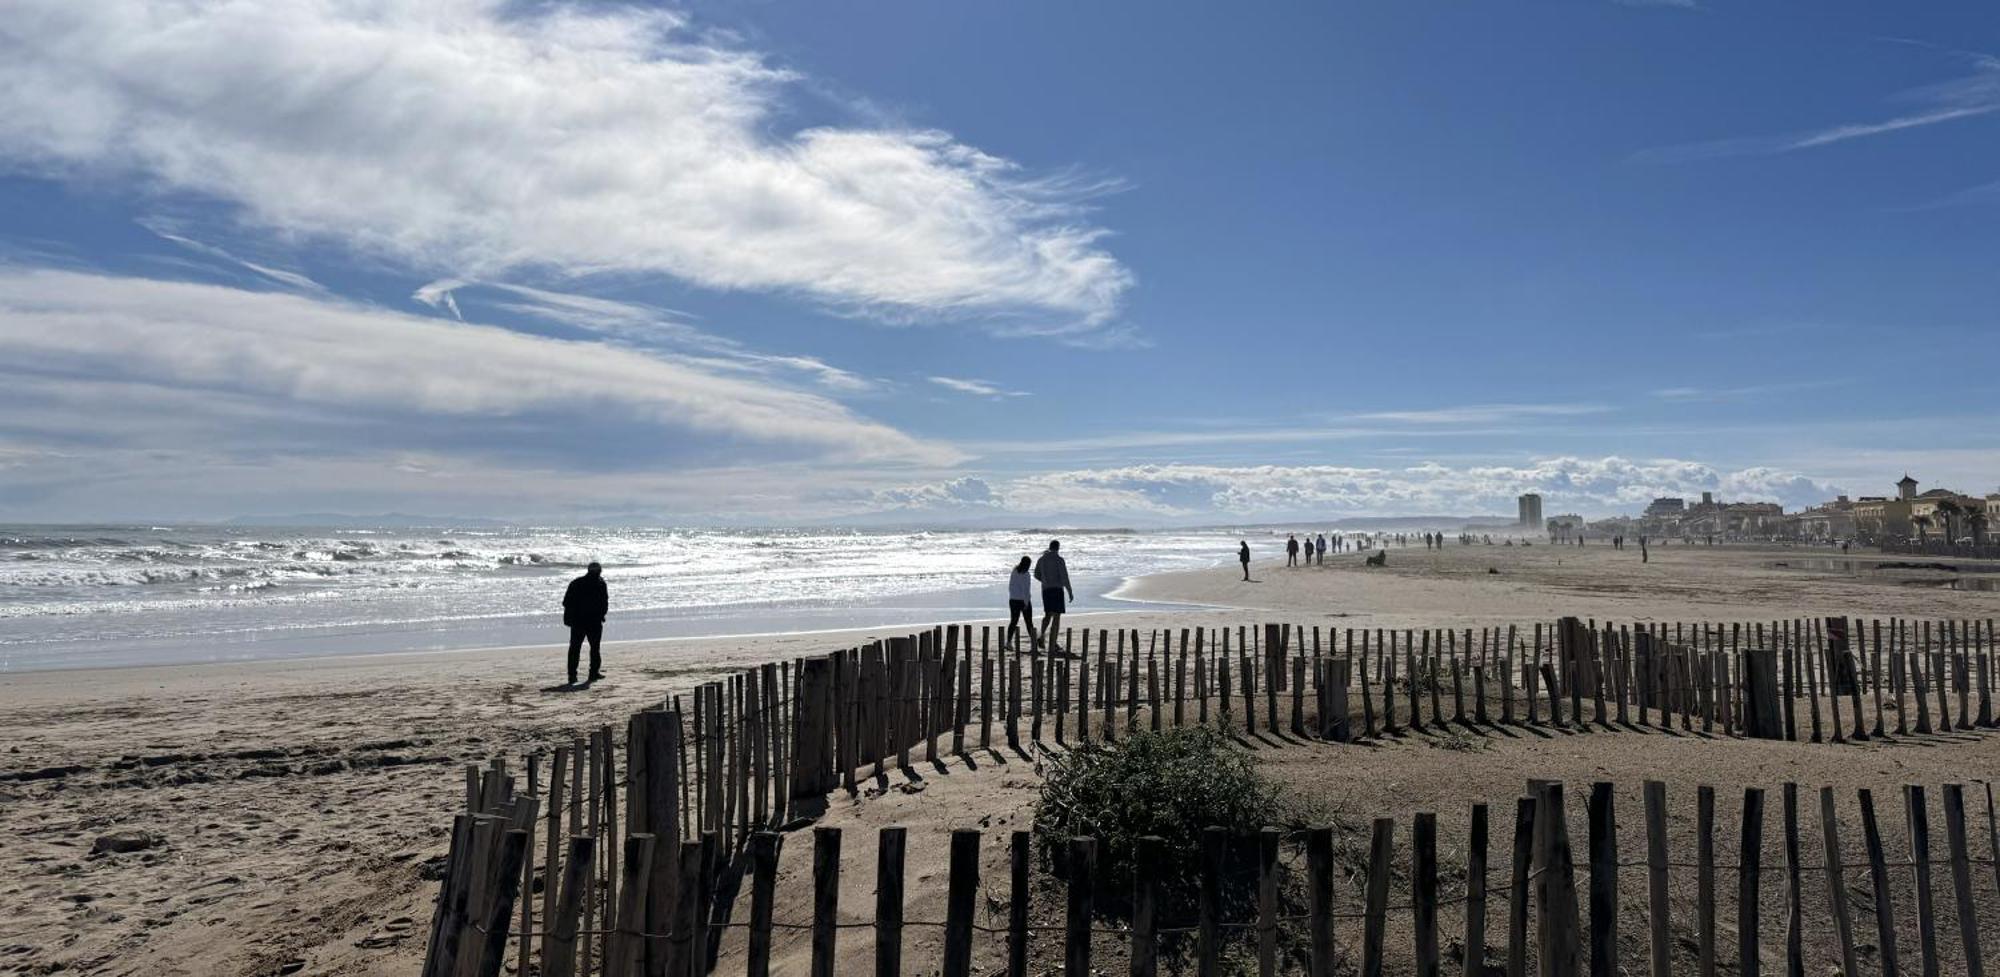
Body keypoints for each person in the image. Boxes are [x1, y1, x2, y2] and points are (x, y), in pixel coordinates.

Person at [561, 561, 609, 685]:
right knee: (594, 648)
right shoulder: (601, 584)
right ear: (599, 571)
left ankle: (572, 676)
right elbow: (604, 603)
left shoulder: (576, 583)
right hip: (593, 621)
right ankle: (593, 673)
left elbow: (566, 603)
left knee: (575, 649)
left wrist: (568, 618)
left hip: (578, 621)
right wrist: (602, 615)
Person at [1035, 540, 1074, 653]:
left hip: (1046, 590)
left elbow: (1036, 574)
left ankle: (1041, 636)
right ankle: (1054, 642)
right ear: (1058, 548)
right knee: (1056, 617)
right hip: (1057, 589)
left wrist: (1045, 581)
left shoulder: (1041, 559)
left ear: (1050, 547)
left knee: (1047, 615)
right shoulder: (1059, 560)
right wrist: (1069, 591)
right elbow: (1064, 577)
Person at [1006, 556, 1039, 651]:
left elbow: (1010, 587)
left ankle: (1008, 642)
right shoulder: (1026, 574)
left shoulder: (1014, 571)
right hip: (1022, 600)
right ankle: (1034, 644)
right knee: (1029, 622)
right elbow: (1026, 590)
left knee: (1013, 621)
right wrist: (1026, 603)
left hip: (1013, 599)